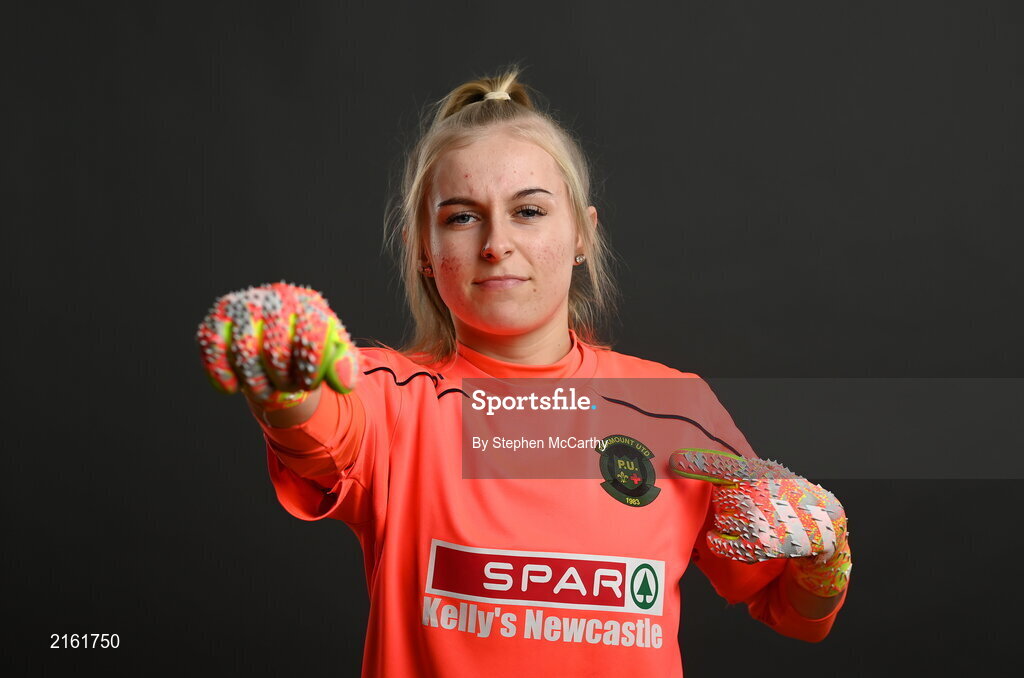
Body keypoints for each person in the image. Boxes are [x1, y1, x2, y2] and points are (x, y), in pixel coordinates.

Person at [196, 68, 851, 678]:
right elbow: (316, 428)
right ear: (424, 252)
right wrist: (284, 374)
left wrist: (824, 558)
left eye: (529, 210)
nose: (495, 243)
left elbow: (793, 612)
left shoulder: (676, 409)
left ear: (581, 237)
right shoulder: (391, 404)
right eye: (460, 217)